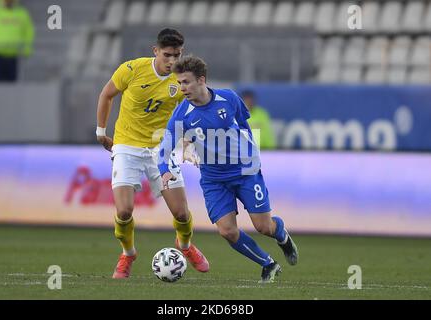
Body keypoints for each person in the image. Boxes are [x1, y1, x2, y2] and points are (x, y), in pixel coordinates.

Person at [158, 56, 298, 283]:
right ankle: (268, 264)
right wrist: (164, 168)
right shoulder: (181, 114)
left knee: (264, 227)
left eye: (186, 82)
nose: (181, 88)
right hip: (213, 179)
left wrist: (251, 155)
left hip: (244, 172)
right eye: (179, 83)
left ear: (201, 80)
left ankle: (281, 233)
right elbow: (164, 146)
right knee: (227, 231)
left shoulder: (229, 98)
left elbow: (244, 126)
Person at [96, 28, 209, 279]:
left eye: (177, 55)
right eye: (167, 55)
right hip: (127, 145)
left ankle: (185, 247)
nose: (172, 61)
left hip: (162, 149)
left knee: (181, 213)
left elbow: (191, 113)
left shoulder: (182, 80)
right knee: (124, 211)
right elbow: (106, 95)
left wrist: (189, 143)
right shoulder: (132, 70)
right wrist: (100, 130)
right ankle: (128, 254)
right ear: (155, 51)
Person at [0, 0, 34, 82]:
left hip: (13, 56)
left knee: (11, 87)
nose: (8, 2)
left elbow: (28, 32)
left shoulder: (22, 13)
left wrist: (27, 49)